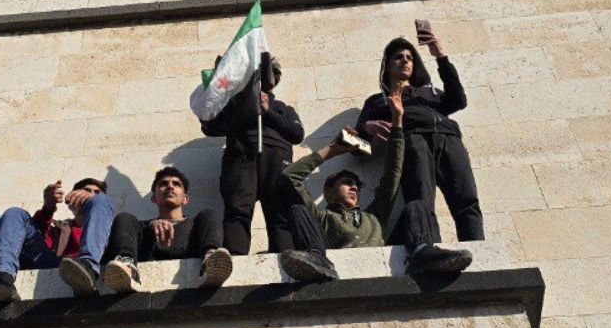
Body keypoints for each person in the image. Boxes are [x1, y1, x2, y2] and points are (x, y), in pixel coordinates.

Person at [278, 85, 472, 282]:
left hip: (384, 256)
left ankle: (422, 252)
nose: (354, 187)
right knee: (298, 210)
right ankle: (316, 259)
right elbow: (290, 176)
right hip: (328, 258)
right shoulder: (322, 218)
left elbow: (393, 173)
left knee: (416, 205)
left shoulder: (374, 216)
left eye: (356, 185)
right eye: (346, 183)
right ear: (328, 192)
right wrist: (332, 150)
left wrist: (397, 124)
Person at [356, 25, 483, 242]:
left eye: (409, 57)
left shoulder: (430, 93)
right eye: (398, 57)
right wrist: (368, 128)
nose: (405, 60)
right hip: (412, 141)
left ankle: (477, 248)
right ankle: (427, 247)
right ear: (387, 66)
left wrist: (440, 56)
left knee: (467, 198)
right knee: (421, 199)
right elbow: (355, 147)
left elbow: (459, 101)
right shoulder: (378, 101)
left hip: (449, 139)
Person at [200, 56, 304, 255]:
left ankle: (286, 256)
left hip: (276, 157)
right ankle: (235, 257)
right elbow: (211, 128)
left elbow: (297, 134)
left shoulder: (283, 108)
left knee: (280, 212)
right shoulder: (234, 104)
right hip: (241, 155)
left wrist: (268, 111)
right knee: (238, 208)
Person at [0, 177, 116, 301]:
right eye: (86, 191)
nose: (90, 195)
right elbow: (32, 239)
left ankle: (87, 268)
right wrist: (48, 208)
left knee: (102, 203)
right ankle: (3, 278)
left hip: (94, 264)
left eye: (97, 193)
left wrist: (96, 201)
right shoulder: (59, 228)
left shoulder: (110, 227)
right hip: (56, 264)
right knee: (14, 213)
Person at [102, 166, 234, 292]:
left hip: (191, 256)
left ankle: (210, 260)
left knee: (209, 213)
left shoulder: (198, 224)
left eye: (176, 184)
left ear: (185, 199)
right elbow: (106, 257)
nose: (170, 186)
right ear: (154, 197)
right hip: (145, 259)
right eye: (163, 184)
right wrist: (150, 228)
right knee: (124, 217)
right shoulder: (139, 227)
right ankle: (127, 265)